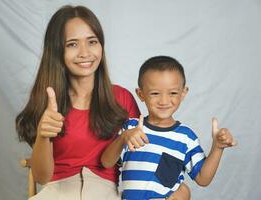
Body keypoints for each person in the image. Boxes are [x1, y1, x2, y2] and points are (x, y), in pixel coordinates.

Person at [15, 5, 190, 200]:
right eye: (72, 44)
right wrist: (43, 135)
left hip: (107, 192)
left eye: (92, 42)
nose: (85, 53)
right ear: (56, 50)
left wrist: (175, 185)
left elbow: (147, 151)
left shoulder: (121, 98)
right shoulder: (48, 103)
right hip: (57, 191)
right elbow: (41, 176)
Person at [101, 55, 237, 199]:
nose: (164, 101)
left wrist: (217, 147)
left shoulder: (185, 137)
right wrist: (123, 138)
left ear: (183, 93)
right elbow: (106, 162)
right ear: (141, 94)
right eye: (155, 93)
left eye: (172, 93)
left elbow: (203, 179)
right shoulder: (131, 129)